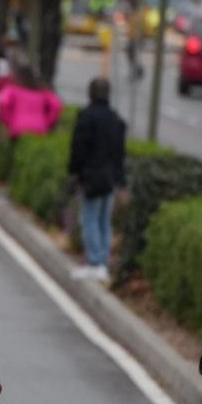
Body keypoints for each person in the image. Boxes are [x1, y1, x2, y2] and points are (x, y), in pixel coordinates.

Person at [68, 77, 126, 284]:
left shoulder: (86, 118)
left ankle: (93, 262)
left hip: (91, 176)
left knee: (90, 219)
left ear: (90, 94)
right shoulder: (116, 120)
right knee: (104, 221)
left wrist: (74, 172)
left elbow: (78, 149)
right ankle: (103, 261)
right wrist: (121, 180)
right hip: (109, 178)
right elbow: (120, 154)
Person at [0, 63, 62, 139]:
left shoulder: (12, 90)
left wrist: (7, 120)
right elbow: (56, 105)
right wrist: (49, 121)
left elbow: (2, 103)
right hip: (40, 127)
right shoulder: (43, 91)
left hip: (18, 127)